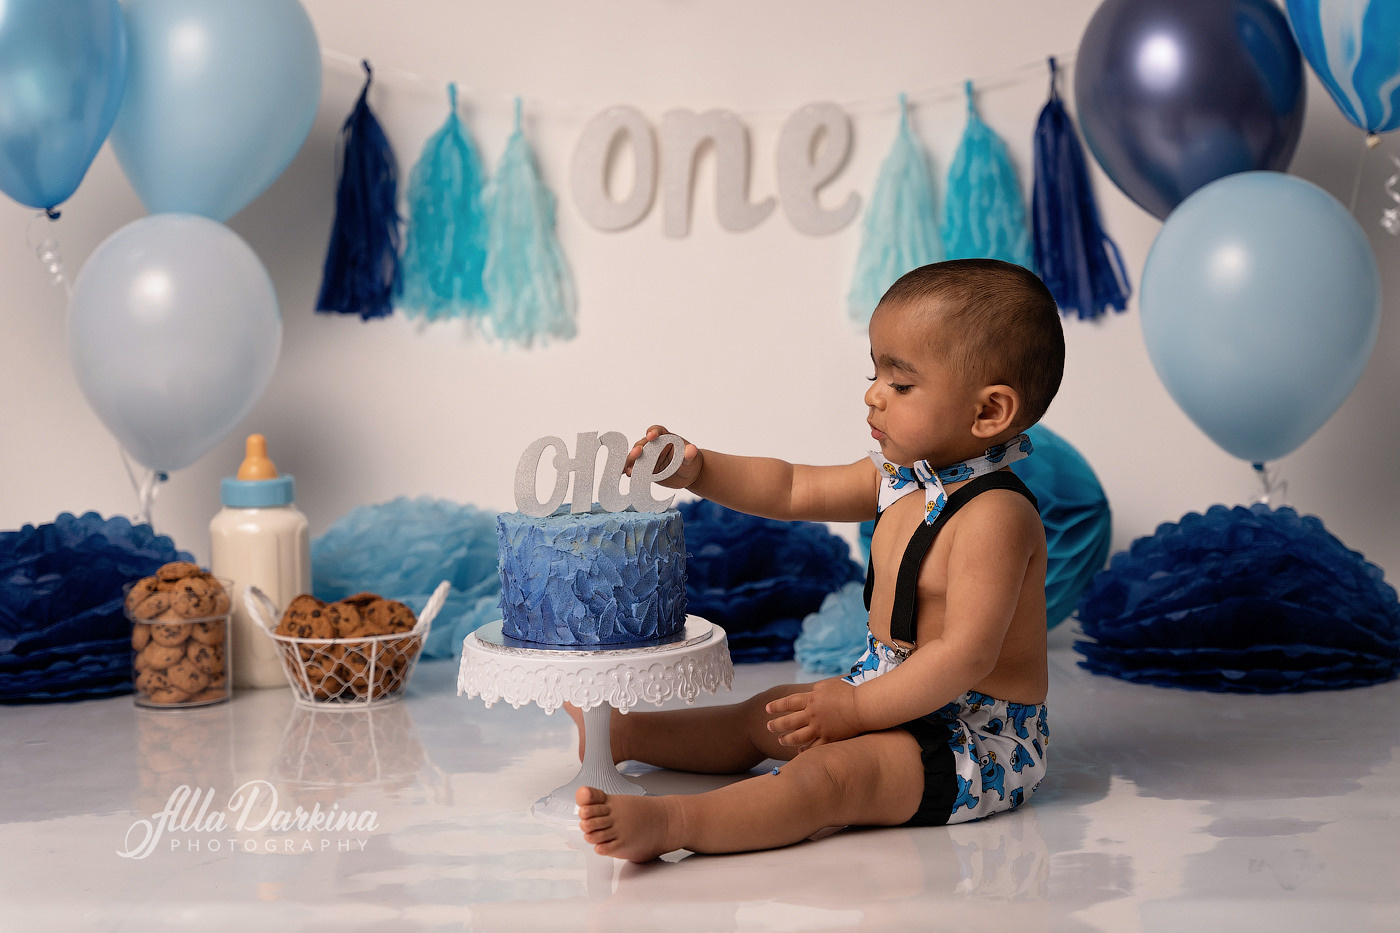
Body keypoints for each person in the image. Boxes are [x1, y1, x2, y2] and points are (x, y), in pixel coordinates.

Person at [574, 258, 1065, 862]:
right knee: (767, 715)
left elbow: (965, 655)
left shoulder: (995, 515)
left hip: (971, 738)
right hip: (884, 690)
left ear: (988, 412)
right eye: (874, 373)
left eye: (900, 384)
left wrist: (855, 708)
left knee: (830, 779)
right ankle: (621, 734)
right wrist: (700, 471)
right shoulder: (902, 479)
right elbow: (790, 488)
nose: (872, 395)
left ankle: (672, 823)